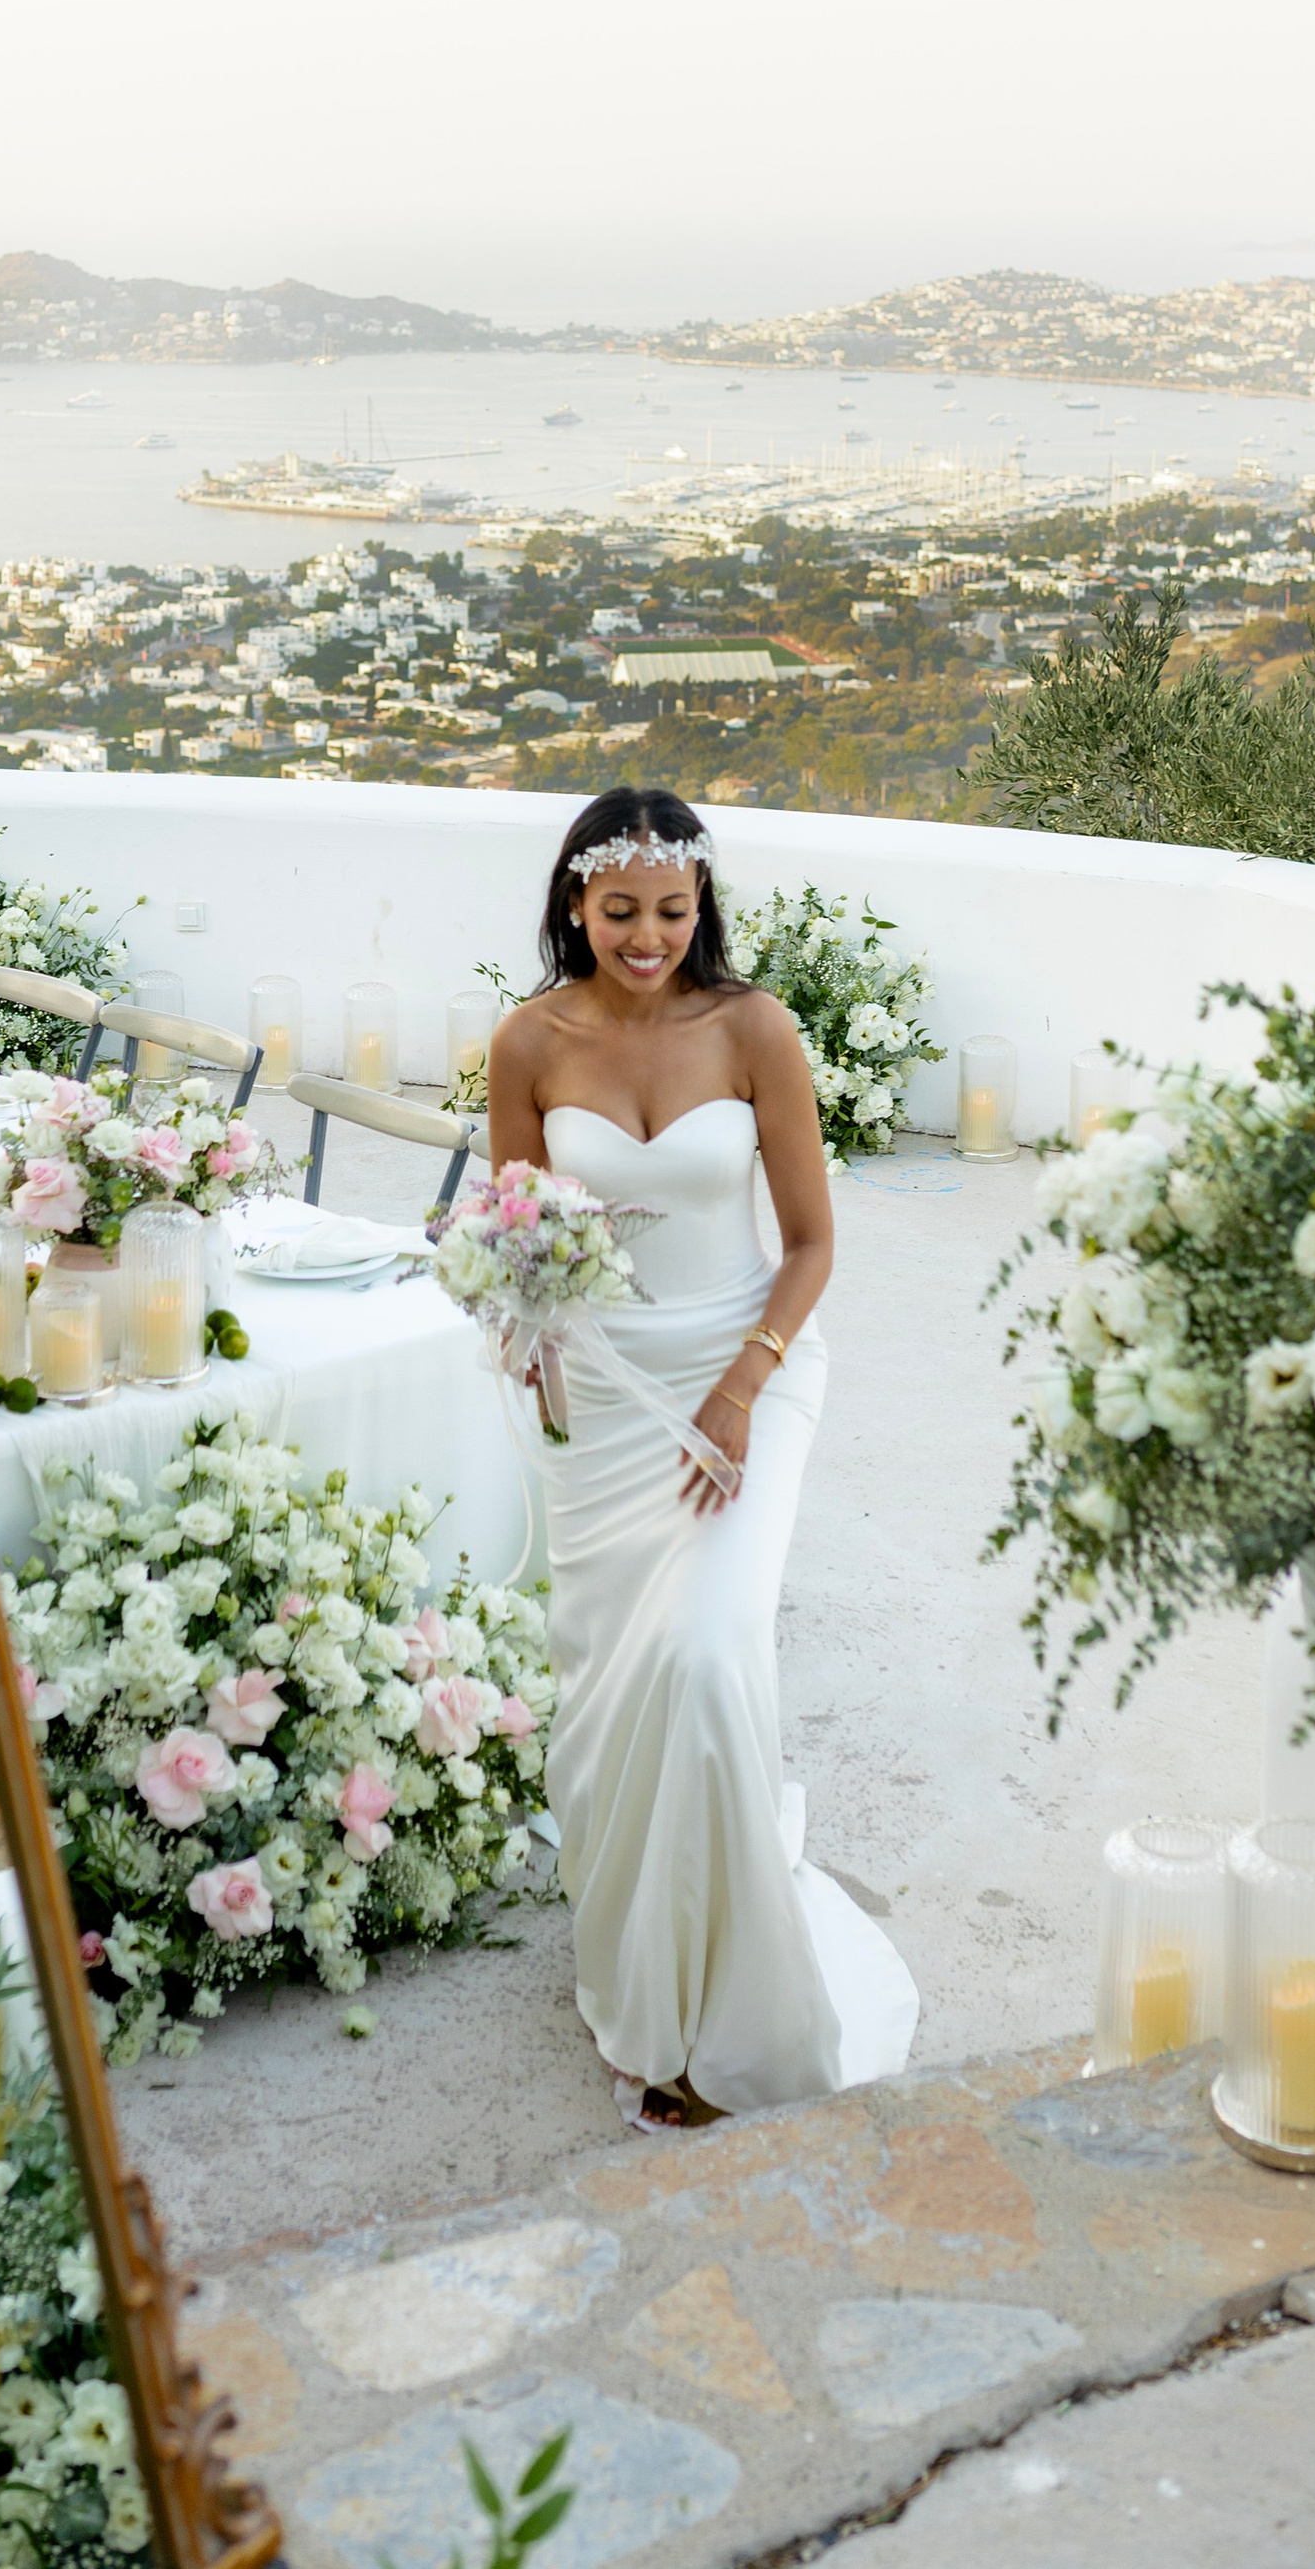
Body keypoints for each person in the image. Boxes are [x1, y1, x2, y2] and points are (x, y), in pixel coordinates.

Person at [486, 787, 919, 2131]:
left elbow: (810, 1245)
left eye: (673, 912)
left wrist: (741, 1386)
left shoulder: (754, 1029)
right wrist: (523, 1319)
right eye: (623, 912)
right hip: (602, 1400)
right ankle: (641, 1986)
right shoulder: (524, 1042)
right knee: (614, 1692)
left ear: (700, 909)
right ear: (576, 903)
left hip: (744, 1379)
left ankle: (734, 2027)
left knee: (709, 1653)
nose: (649, 937)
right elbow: (512, 1228)